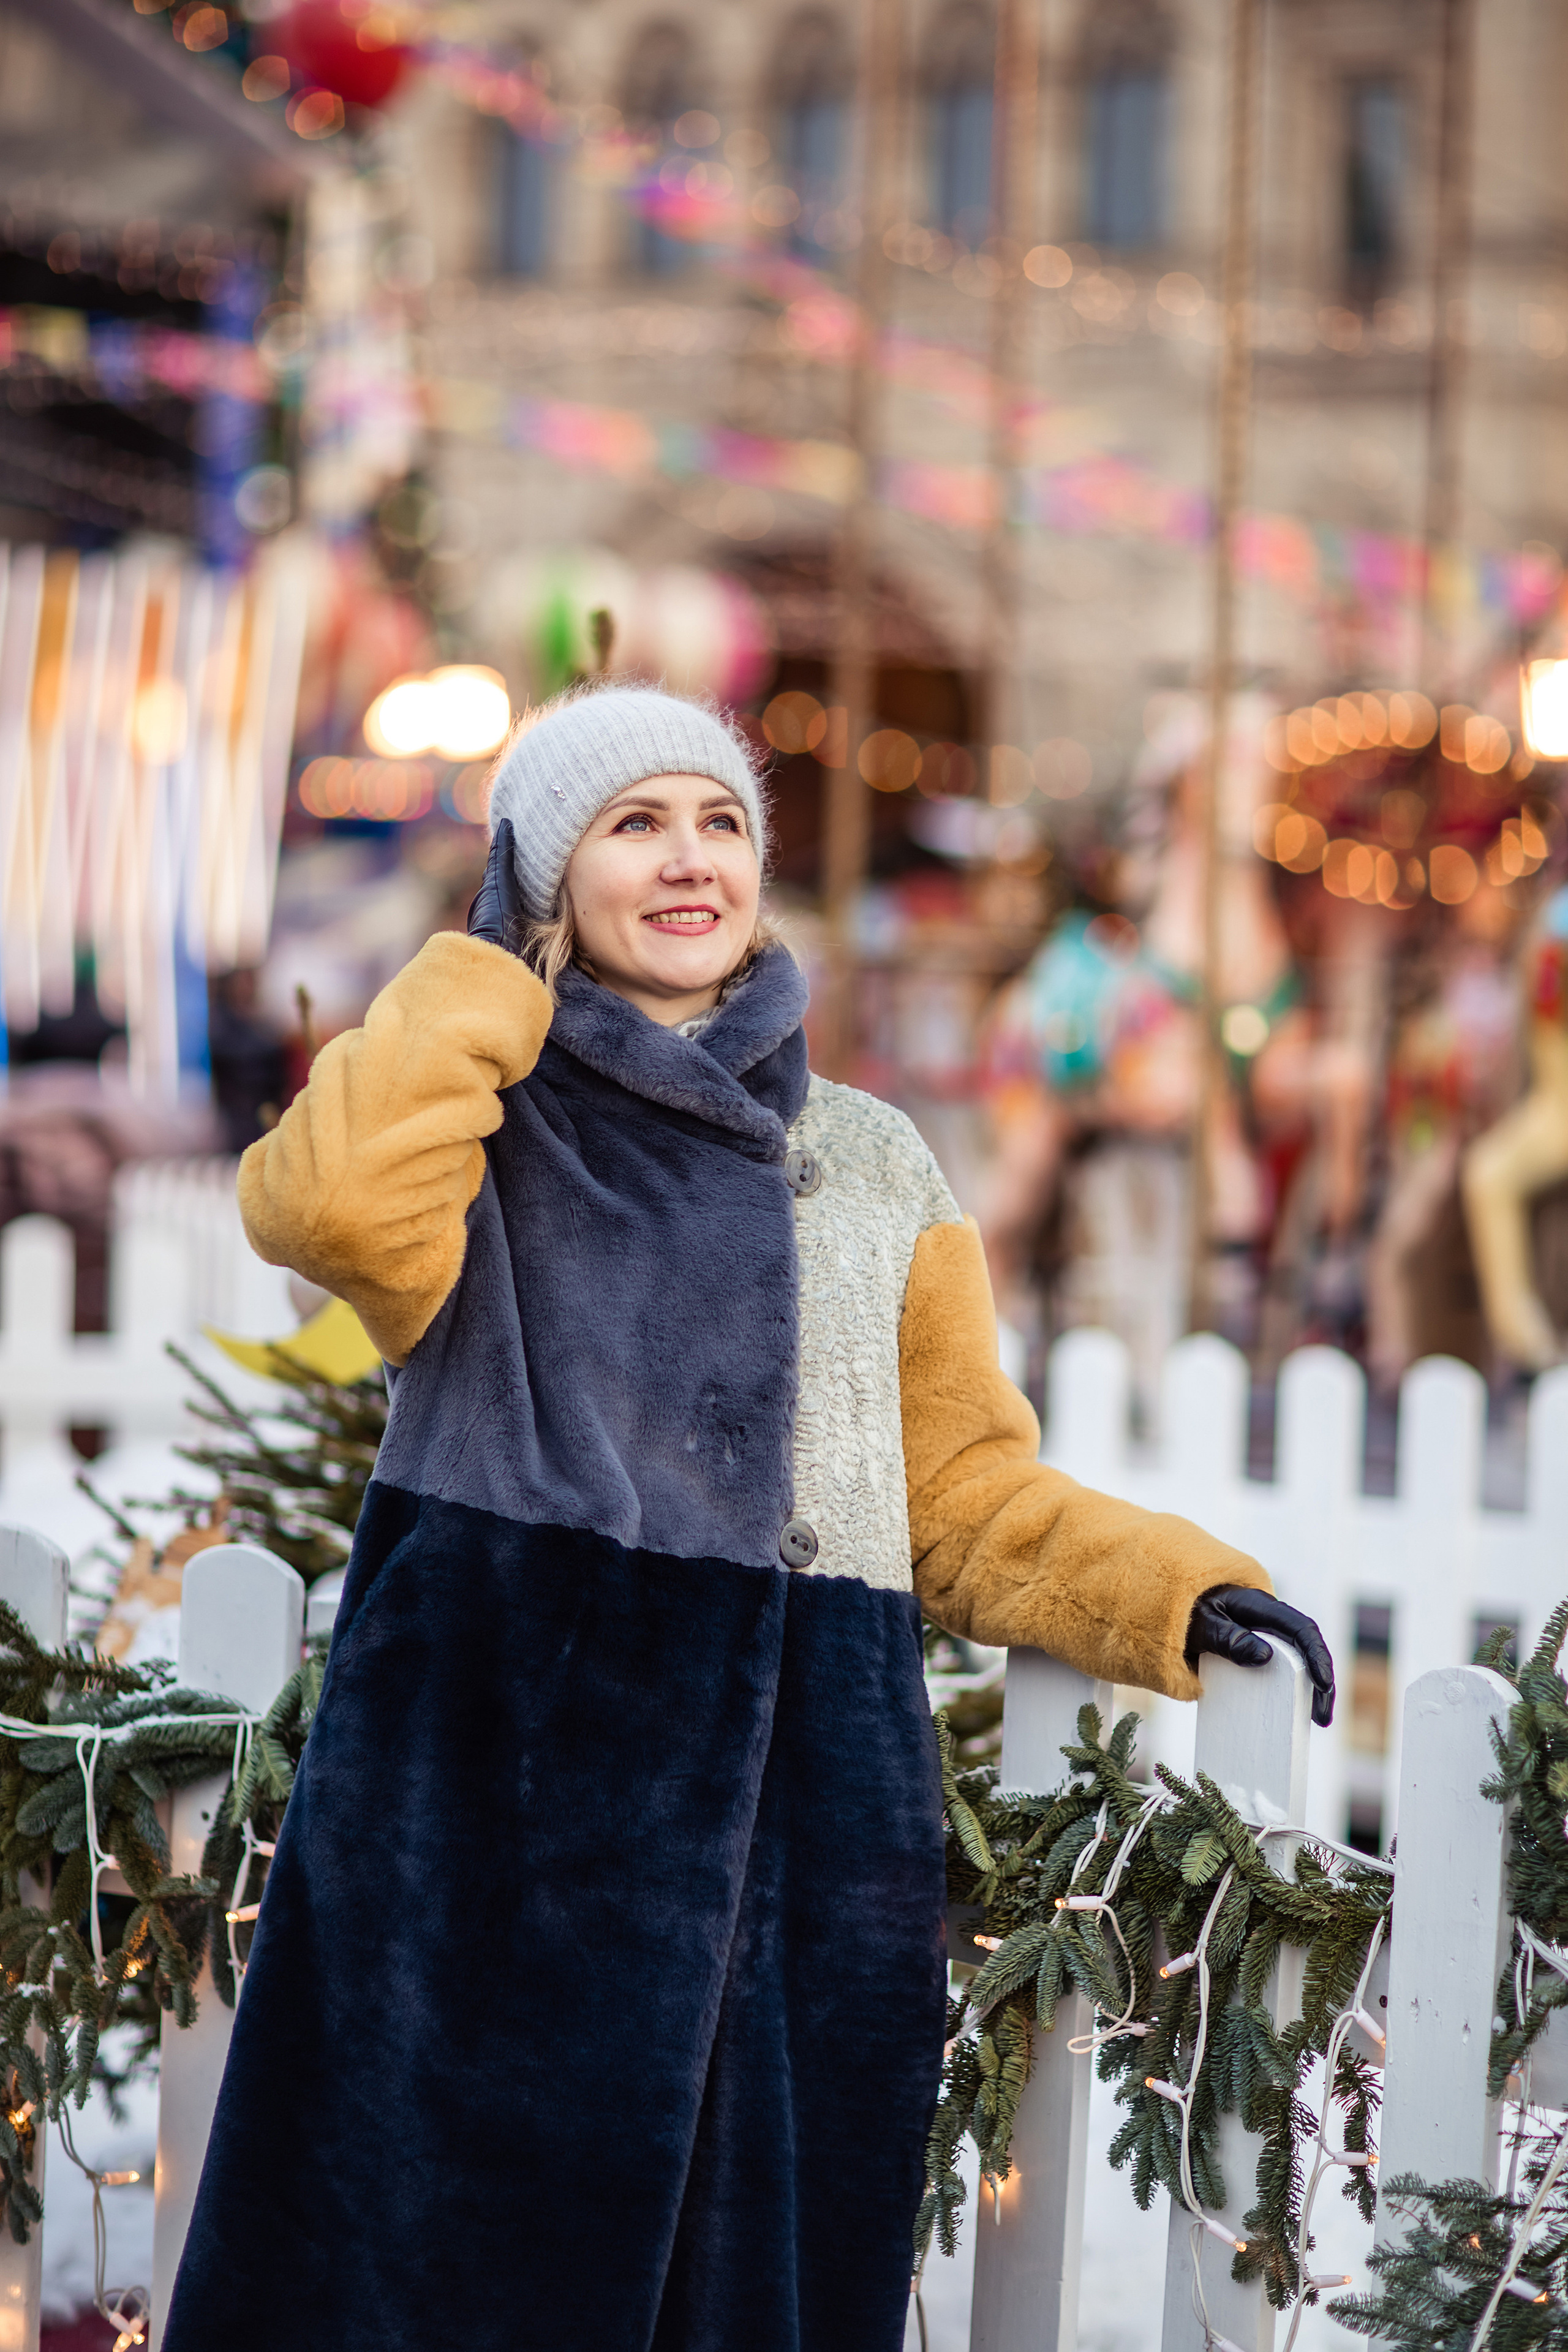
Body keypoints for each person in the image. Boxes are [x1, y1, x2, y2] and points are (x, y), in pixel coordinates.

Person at [164, 685, 1333, 2352]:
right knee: (433, 2271)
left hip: (809, 1814)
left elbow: (965, 1494)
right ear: (545, 873)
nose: (691, 859)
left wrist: (1178, 1595)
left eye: (719, 823)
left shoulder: (871, 1160)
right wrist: (488, 976)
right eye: (633, 825)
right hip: (501, 1793)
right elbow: (319, 1203)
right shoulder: (482, 1123)